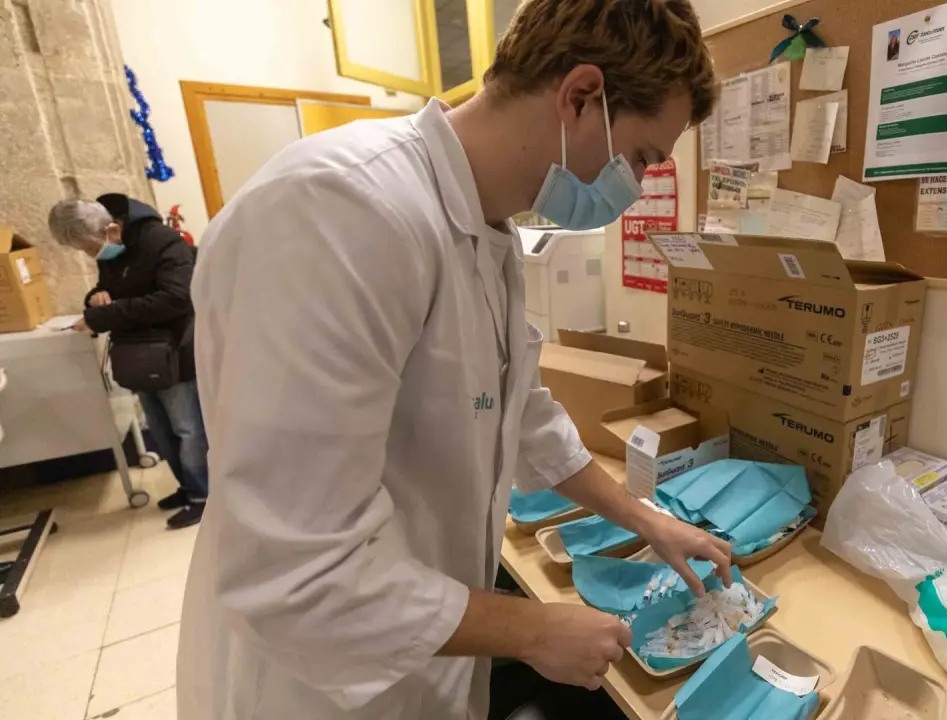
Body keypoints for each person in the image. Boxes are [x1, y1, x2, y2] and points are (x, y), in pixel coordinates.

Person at [176, 1, 721, 718]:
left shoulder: (487, 233)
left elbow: (524, 415)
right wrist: (532, 630)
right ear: (581, 97)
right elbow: (298, 571)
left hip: (419, 656)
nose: (638, 187)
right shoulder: (338, 211)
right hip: (309, 686)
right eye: (642, 158)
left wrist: (645, 519)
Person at [47, 194, 209, 530]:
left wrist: (106, 315)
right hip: (138, 354)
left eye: (89, 248)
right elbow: (109, 289)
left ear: (111, 229)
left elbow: (177, 298)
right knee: (161, 429)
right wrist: (95, 298)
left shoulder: (163, 241)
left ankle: (204, 496)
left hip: (174, 351)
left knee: (188, 428)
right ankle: (188, 487)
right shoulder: (112, 249)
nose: (90, 255)